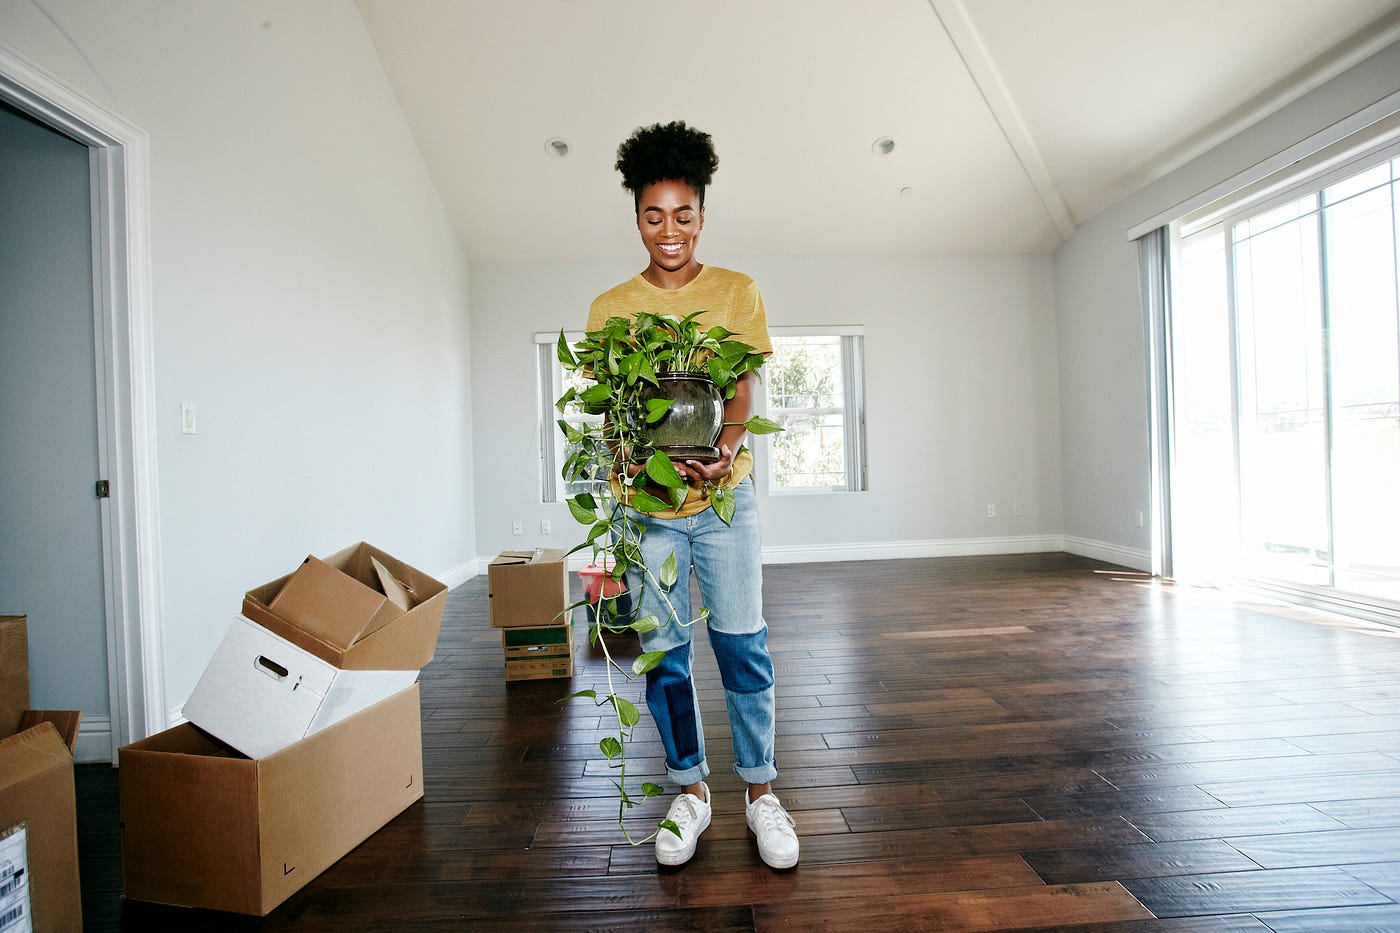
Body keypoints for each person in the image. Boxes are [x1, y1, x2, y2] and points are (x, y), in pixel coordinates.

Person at [585, 121, 798, 870]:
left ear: (702, 214)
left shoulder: (737, 292)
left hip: (725, 507)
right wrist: (632, 471)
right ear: (635, 217)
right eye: (652, 215)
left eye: (682, 214)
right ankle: (692, 790)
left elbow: (743, 385)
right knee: (665, 656)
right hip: (648, 513)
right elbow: (613, 411)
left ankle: (762, 794)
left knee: (743, 646)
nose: (668, 231)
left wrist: (728, 450)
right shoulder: (610, 308)